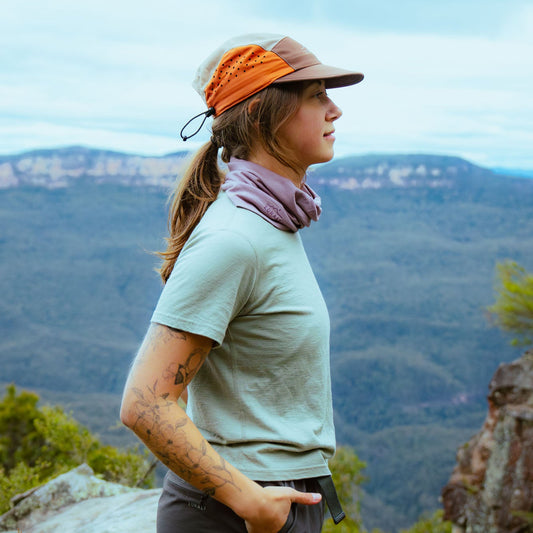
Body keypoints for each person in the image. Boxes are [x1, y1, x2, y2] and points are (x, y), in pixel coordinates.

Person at [120, 33, 364, 533]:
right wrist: (250, 502)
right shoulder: (235, 238)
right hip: (235, 512)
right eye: (316, 95)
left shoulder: (272, 222)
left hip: (273, 498)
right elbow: (145, 402)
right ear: (260, 115)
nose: (334, 110)